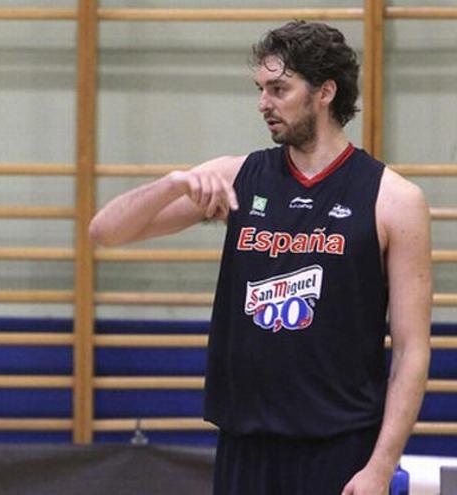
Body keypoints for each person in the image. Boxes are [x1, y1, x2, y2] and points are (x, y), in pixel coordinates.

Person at [90, 21, 431, 495]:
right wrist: (171, 183)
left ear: (325, 92)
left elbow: (413, 350)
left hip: (340, 447)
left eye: (279, 89)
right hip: (245, 444)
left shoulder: (393, 199)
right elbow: (104, 231)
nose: (263, 103)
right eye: (260, 89)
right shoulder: (236, 178)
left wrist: (379, 466)